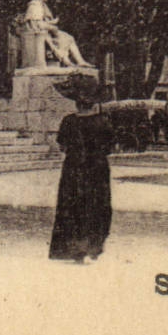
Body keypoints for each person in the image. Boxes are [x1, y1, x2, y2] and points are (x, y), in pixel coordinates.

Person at [49, 72, 115, 263]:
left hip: (74, 168)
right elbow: (109, 147)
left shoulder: (69, 121)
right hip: (97, 168)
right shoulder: (103, 121)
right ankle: (93, 247)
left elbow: (62, 146)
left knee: (73, 206)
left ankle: (73, 248)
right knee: (96, 205)